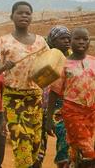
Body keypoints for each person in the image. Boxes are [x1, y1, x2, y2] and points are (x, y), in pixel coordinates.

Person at [0, 1, 49, 168]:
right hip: (14, 100)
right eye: (20, 13)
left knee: (35, 144)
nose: (24, 15)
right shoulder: (3, 41)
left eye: (27, 13)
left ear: (31, 17)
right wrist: (3, 66)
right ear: (12, 16)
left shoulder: (41, 42)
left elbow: (49, 66)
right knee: (22, 143)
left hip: (35, 99)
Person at [47, 27, 94, 165]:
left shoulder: (93, 61)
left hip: (91, 113)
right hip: (73, 113)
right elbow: (54, 92)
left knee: (78, 152)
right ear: (71, 41)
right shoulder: (64, 64)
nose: (81, 42)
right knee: (89, 153)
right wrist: (49, 119)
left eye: (85, 39)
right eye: (77, 38)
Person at [41, 26, 71, 167]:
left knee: (66, 141)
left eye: (68, 38)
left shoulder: (73, 56)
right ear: (53, 40)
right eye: (62, 38)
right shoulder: (47, 57)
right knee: (40, 143)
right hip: (48, 104)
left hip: (69, 105)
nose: (67, 41)